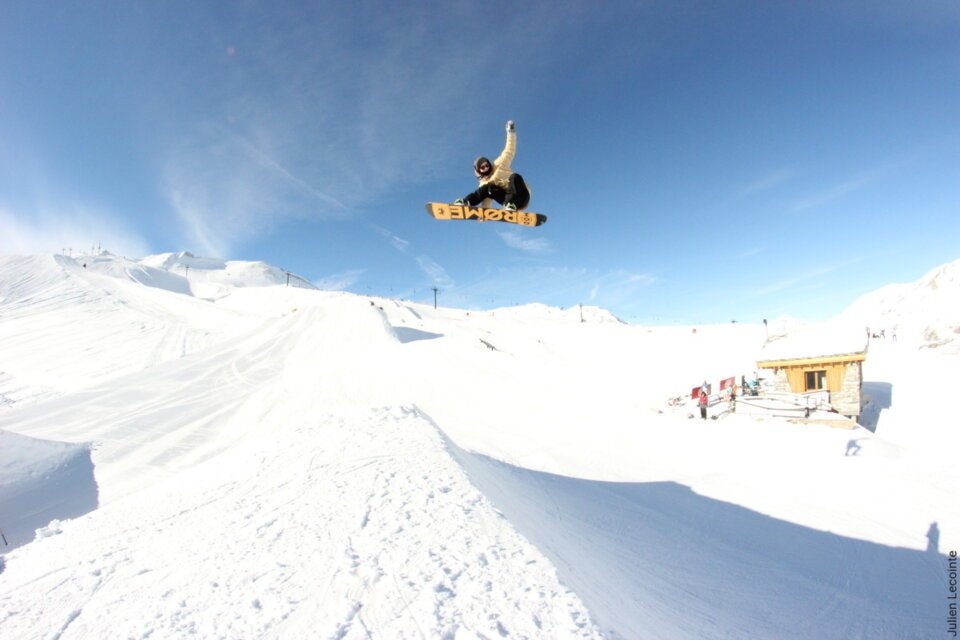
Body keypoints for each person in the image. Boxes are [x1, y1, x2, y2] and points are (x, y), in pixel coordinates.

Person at [454, 120, 531, 212]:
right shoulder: (484, 183)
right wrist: (484, 213)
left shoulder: (499, 164)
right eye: (482, 168)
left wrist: (510, 132)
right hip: (506, 200)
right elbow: (486, 199)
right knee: (487, 189)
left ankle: (511, 204)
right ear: (479, 171)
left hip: (522, 195)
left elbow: (509, 150)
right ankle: (466, 202)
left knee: (515, 176)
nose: (486, 168)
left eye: (487, 165)